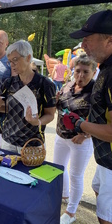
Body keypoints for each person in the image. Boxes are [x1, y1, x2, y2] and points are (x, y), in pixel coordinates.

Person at [66, 9, 112, 224]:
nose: (82, 45)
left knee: (106, 215)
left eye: (87, 39)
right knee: (97, 190)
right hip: (105, 160)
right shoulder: (106, 69)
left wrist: (81, 125)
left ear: (109, 40)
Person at [0, 40, 56, 153]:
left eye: (15, 60)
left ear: (28, 58)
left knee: (31, 171)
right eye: (10, 62)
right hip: (8, 141)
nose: (12, 65)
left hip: (32, 143)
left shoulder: (45, 84)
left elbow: (50, 115)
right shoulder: (8, 83)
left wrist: (38, 122)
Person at [53, 53, 97, 224]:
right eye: (78, 71)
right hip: (60, 135)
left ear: (93, 72)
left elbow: (102, 118)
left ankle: (71, 213)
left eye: (85, 72)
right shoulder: (68, 85)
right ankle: (64, 195)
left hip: (80, 140)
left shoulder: (95, 92)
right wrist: (57, 100)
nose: (80, 75)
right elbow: (61, 108)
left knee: (75, 175)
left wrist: (87, 134)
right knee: (58, 168)